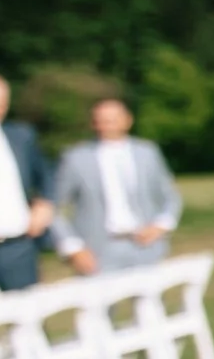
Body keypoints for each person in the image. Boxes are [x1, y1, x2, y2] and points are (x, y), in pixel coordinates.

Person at [50, 97, 182, 276]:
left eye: (112, 120)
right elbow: (52, 207)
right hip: (97, 251)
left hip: (146, 247)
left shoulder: (147, 152)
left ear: (127, 120)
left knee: (150, 303)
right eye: (101, 121)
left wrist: (160, 226)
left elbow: (170, 195)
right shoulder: (75, 158)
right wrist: (72, 247)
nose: (106, 126)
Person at [0, 73, 57, 293]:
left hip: (18, 247)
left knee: (26, 317)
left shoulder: (21, 136)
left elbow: (46, 176)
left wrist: (45, 204)